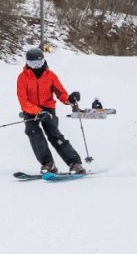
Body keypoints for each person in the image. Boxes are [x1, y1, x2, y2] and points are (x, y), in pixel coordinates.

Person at [17, 47, 86, 175]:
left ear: (43, 61)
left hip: (48, 108)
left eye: (39, 63)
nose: (36, 67)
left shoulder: (51, 76)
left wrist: (69, 99)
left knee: (53, 133)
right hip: (30, 109)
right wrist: (37, 111)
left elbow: (61, 94)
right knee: (34, 133)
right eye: (32, 64)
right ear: (27, 63)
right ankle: (48, 164)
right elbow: (23, 101)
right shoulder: (22, 78)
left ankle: (75, 163)